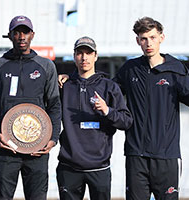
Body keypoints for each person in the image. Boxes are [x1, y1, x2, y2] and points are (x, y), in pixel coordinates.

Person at [58, 17, 189, 200]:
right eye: (144, 39)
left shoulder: (176, 69)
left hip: (166, 156)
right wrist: (73, 78)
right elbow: (105, 89)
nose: (148, 43)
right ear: (138, 41)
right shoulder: (130, 69)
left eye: (153, 37)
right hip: (135, 154)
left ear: (162, 37)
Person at [0, 15, 61, 200]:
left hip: (37, 149)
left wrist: (53, 138)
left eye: (25, 32)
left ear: (32, 35)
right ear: (10, 36)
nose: (21, 36)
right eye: (17, 32)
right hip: (6, 148)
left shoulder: (46, 66)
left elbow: (55, 105)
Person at [56, 36, 133, 200]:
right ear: (74, 56)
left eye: (88, 53)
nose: (84, 58)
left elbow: (126, 121)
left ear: (96, 56)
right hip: (69, 167)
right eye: (80, 53)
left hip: (99, 167)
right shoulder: (64, 86)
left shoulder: (109, 86)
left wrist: (107, 111)